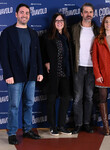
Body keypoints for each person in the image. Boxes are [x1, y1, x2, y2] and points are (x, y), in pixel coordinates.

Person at [0, 3, 43, 145]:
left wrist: (40, 72)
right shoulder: (7, 32)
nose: (24, 15)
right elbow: (3, 55)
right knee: (14, 106)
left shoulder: (33, 33)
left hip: (30, 75)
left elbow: (37, 54)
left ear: (29, 15)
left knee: (29, 104)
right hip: (15, 76)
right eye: (22, 12)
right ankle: (12, 132)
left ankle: (27, 129)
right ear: (16, 14)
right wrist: (8, 74)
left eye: (27, 13)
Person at [42, 13, 73, 136]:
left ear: (64, 23)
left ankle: (61, 125)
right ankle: (52, 126)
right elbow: (42, 52)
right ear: (53, 23)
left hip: (65, 73)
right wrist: (46, 63)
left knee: (65, 98)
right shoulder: (47, 36)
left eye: (61, 20)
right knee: (51, 100)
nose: (59, 22)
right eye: (57, 20)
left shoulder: (66, 36)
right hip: (53, 73)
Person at [71, 3, 99, 134]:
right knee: (77, 97)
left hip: (92, 68)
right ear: (81, 14)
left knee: (89, 96)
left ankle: (87, 124)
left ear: (93, 14)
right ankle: (78, 124)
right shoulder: (74, 28)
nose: (88, 14)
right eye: (86, 12)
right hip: (78, 67)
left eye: (91, 12)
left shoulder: (98, 30)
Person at [92, 15, 110, 135]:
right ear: (103, 25)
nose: (108, 24)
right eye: (106, 22)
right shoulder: (98, 39)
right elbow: (94, 59)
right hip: (103, 71)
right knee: (103, 97)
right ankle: (105, 126)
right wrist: (97, 74)